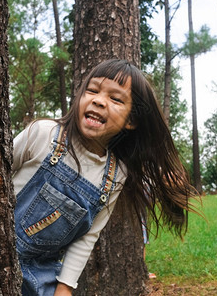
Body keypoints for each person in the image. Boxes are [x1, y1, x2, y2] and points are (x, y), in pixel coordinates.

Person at [12, 59, 198, 296]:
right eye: (92, 90)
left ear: (131, 121)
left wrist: (65, 287)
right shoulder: (44, 134)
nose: (98, 100)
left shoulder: (115, 174)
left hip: (41, 272)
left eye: (116, 98)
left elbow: (87, 238)